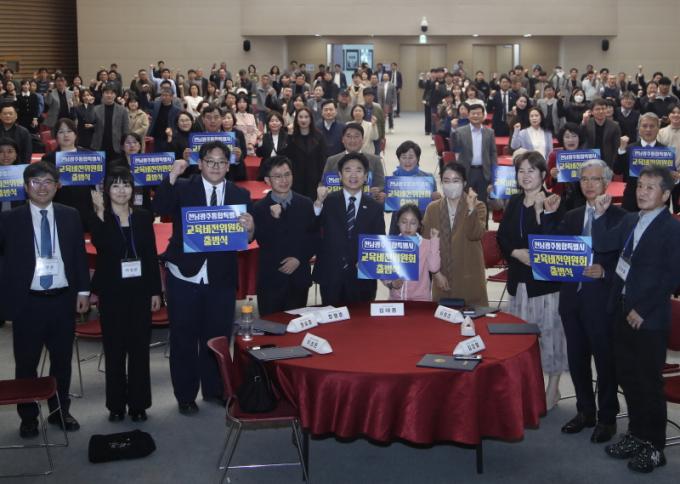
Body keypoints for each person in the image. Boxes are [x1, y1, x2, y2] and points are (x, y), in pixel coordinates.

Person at [152, 140, 254, 415]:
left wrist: (250, 228)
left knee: (217, 336)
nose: (216, 167)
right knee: (183, 338)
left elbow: (247, 237)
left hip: (220, 277)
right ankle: (185, 395)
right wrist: (171, 176)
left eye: (222, 162)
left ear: (229, 165)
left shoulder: (240, 194)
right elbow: (159, 206)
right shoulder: (184, 187)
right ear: (200, 163)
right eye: (210, 161)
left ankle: (215, 388)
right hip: (183, 274)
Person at [592, 165, 680, 473]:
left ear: (665, 195)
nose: (642, 192)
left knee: (649, 383)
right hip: (621, 309)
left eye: (650, 187)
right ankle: (636, 434)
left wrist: (643, 309)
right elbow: (603, 243)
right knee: (627, 378)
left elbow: (672, 277)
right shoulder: (631, 219)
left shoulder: (672, 228)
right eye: (640, 186)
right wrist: (600, 214)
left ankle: (655, 446)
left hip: (649, 319)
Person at [0, 161, 90, 437]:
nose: (42, 187)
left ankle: (59, 410)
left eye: (48, 181)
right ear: (26, 187)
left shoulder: (70, 215)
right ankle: (28, 416)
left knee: (62, 361)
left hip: (62, 300)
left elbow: (78, 255)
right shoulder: (9, 220)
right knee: (26, 363)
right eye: (35, 182)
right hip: (27, 303)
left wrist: (83, 291)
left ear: (57, 186)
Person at [543, 159, 625, 444]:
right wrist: (550, 215)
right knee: (577, 360)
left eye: (595, 179)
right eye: (584, 179)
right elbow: (553, 250)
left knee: (605, 362)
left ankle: (607, 418)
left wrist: (605, 271)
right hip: (571, 301)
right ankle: (585, 412)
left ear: (607, 183)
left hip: (601, 301)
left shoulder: (621, 217)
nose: (589, 184)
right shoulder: (572, 215)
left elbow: (628, 260)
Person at [88, 167, 161, 422]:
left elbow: (150, 255)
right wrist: (100, 214)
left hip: (140, 291)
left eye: (126, 185)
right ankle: (116, 405)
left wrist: (156, 291)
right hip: (112, 292)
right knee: (115, 350)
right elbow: (102, 246)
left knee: (139, 350)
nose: (121, 190)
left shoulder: (143, 216)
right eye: (116, 185)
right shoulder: (100, 217)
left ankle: (139, 404)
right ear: (107, 191)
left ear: (133, 189)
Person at [496, 150, 568, 410]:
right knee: (521, 337)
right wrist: (516, 253)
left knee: (550, 335)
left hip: (544, 285)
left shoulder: (554, 202)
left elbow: (554, 243)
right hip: (519, 280)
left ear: (543, 174)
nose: (525, 176)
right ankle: (526, 384)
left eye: (531, 171)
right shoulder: (515, 202)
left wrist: (541, 213)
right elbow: (502, 236)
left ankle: (553, 387)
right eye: (521, 171)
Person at [313, 153, 385, 306]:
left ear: (366, 176)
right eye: (348, 170)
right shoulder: (327, 202)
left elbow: (379, 242)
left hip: (362, 278)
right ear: (340, 175)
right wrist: (318, 203)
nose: (353, 175)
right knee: (332, 318)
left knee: (360, 320)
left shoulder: (375, 207)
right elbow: (312, 228)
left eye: (358, 170)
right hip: (331, 275)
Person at [252, 156, 317, 315]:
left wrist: (299, 259)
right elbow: (263, 241)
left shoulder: (305, 203)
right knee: (270, 325)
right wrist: (274, 220)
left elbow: (314, 237)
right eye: (278, 176)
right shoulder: (259, 208)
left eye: (287, 174)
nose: (284, 180)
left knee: (297, 324)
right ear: (267, 180)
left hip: (299, 278)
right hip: (271, 280)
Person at [422, 161, 488, 306]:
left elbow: (475, 234)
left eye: (456, 181)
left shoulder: (479, 206)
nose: (451, 185)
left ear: (464, 183)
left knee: (472, 316)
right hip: (442, 277)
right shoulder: (432, 209)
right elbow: (426, 245)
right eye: (446, 181)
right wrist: (436, 274)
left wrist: (471, 209)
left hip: (468, 276)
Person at [41, 118, 94, 228]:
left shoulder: (88, 155)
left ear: (75, 134)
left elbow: (95, 184)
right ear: (56, 136)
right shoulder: (48, 158)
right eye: (61, 132)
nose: (66, 135)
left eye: (69, 131)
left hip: (85, 205)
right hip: (60, 205)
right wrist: (54, 184)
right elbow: (44, 185)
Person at [383, 204, 440, 301]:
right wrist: (391, 283)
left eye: (413, 223)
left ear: (419, 225)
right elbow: (382, 271)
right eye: (404, 222)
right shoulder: (390, 245)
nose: (408, 227)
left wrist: (434, 241)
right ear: (398, 223)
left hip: (420, 301)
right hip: (395, 300)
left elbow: (434, 268)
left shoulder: (426, 244)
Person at [615, 112, 669, 212]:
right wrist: (621, 150)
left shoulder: (665, 151)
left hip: (657, 202)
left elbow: (670, 180)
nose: (648, 129)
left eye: (652, 126)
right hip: (632, 201)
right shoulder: (629, 148)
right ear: (639, 129)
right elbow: (617, 170)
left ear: (658, 129)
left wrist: (676, 178)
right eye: (644, 126)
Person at [449, 103, 497, 208]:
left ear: (483, 116)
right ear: (468, 115)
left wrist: (494, 175)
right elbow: (454, 148)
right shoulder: (460, 131)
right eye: (473, 113)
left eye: (478, 114)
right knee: (465, 202)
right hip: (467, 171)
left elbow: (493, 153)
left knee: (482, 203)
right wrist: (453, 129)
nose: (476, 116)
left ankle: (482, 220)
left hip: (483, 172)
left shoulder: (489, 132)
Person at [322, 123, 385, 199]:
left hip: (367, 203)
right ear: (342, 139)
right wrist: (322, 190)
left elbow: (381, 185)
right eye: (348, 136)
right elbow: (323, 183)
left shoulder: (375, 160)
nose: (352, 140)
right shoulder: (332, 161)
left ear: (363, 140)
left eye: (356, 136)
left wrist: (378, 190)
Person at [282, 106, 326, 200]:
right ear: (296, 119)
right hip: (296, 178)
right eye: (300, 117)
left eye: (306, 117)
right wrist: (289, 136)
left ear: (311, 119)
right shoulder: (291, 136)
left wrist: (321, 180)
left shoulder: (319, 136)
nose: (303, 120)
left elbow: (322, 159)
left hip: (314, 179)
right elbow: (286, 156)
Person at [545, 123, 587, 210]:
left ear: (579, 138)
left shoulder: (587, 156)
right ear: (562, 139)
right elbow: (548, 184)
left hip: (583, 199)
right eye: (567, 137)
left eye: (574, 136)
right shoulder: (554, 156)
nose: (571, 140)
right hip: (561, 201)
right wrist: (553, 177)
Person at [91, 83, 129, 159]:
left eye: (112, 93)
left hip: (116, 147)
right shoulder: (95, 109)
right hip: (99, 146)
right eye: (107, 93)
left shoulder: (123, 110)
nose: (109, 95)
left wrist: (124, 145)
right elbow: (89, 123)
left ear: (115, 95)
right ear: (103, 94)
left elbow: (125, 130)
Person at [583, 98, 621, 169]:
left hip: (607, 161)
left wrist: (613, 164)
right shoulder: (587, 123)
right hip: (590, 160)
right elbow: (581, 139)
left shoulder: (614, 126)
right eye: (597, 109)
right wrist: (583, 123)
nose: (601, 111)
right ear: (592, 112)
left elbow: (616, 147)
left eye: (603, 108)